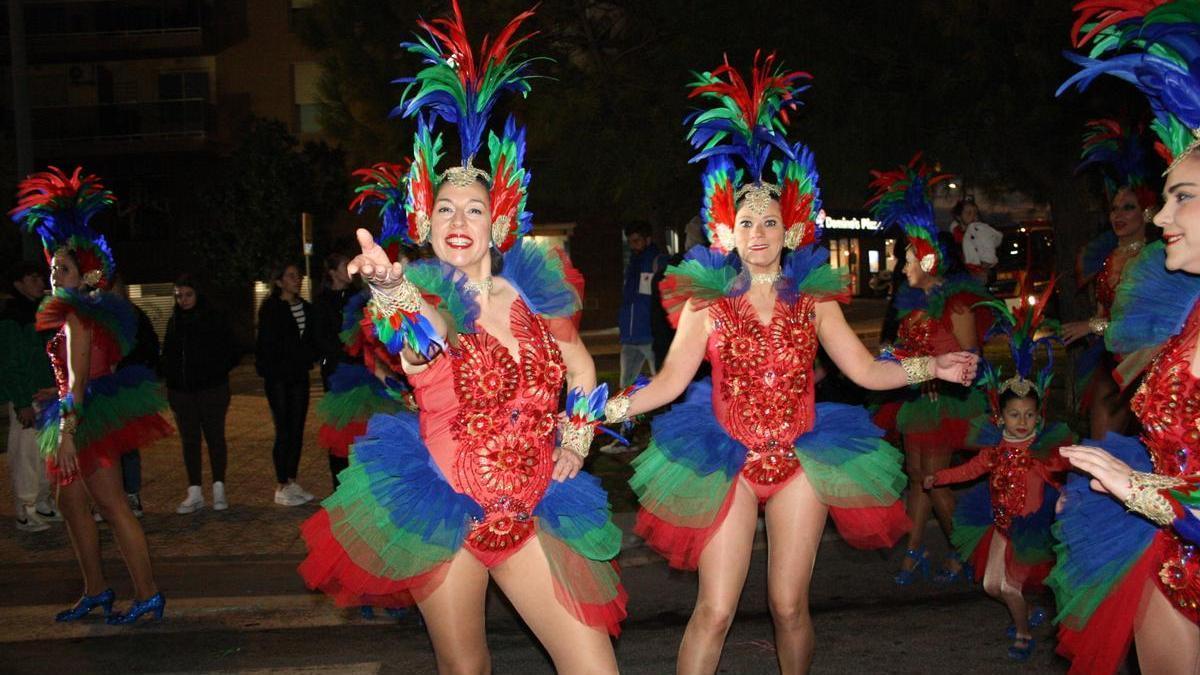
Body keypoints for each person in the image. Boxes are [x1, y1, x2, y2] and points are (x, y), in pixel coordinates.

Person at [610, 55, 976, 673]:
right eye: (746, 222)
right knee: (717, 609)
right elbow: (670, 382)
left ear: (790, 229)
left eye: (770, 222)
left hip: (802, 459)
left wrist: (931, 368)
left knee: (788, 607)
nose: (758, 232)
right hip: (726, 457)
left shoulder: (814, 302)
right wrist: (604, 406)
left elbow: (863, 373)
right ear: (727, 232)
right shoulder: (708, 304)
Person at [299, 4, 625, 672]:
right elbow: (424, 339)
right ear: (426, 220)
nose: (458, 217)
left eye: (474, 208)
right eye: (445, 207)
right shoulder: (427, 295)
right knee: (466, 669)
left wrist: (576, 433)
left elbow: (584, 368)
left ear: (497, 225)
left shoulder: (536, 293)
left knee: (593, 664)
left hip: (532, 505)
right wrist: (391, 289)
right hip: (445, 509)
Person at [1051, 6, 1200, 672]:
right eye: (1159, 198)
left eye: (1182, 196)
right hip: (1168, 554)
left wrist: (1133, 484)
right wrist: (1118, 480)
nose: (1162, 211)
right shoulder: (1184, 311)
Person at [9, 166, 172, 623]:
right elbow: (89, 371)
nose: (53, 274)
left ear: (86, 274)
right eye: (52, 267)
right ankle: (97, 589)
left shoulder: (76, 316)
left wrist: (66, 430)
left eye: (62, 268)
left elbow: (80, 381)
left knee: (112, 505)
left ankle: (148, 593)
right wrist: (56, 391)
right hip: (77, 409)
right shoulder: (85, 312)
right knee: (70, 502)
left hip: (83, 420)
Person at [924, 283, 1072, 661]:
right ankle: (1026, 610)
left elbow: (1060, 477)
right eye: (1013, 415)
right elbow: (971, 469)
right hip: (1000, 525)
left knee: (1011, 585)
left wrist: (1068, 493)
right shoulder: (995, 447)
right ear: (1000, 416)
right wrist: (939, 478)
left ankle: (1023, 630)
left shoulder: (1043, 450)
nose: (1021, 422)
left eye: (1028, 415)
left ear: (1038, 416)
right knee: (993, 585)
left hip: (1031, 528)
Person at [867, 155, 995, 586]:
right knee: (920, 479)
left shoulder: (954, 302)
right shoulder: (915, 303)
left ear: (925, 262)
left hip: (946, 405)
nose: (901, 267)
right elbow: (910, 349)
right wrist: (895, 356)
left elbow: (970, 355)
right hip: (919, 399)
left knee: (935, 481)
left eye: (906, 260)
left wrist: (947, 382)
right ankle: (916, 551)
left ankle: (970, 550)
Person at [1060, 118, 1160, 439]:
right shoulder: (1110, 257)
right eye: (1115, 208)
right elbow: (1108, 312)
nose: (1117, 215)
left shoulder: (1152, 260)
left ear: (1146, 212)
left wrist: (1091, 326)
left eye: (1128, 207)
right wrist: (1092, 326)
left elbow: (1144, 321)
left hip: (1147, 359)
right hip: (1110, 357)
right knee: (1106, 446)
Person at [162, 274, 238, 513]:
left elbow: (231, 350)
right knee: (189, 440)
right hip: (183, 392)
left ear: (197, 294)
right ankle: (194, 490)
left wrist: (214, 372)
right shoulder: (175, 322)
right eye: (178, 296)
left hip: (212, 389)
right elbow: (169, 355)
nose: (183, 300)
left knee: (215, 438)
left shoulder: (213, 318)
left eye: (187, 295)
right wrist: (172, 381)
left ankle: (218, 489)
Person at [0, 260, 58, 531]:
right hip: (29, 396)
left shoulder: (39, 313)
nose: (39, 283)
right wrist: (22, 401)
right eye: (32, 278)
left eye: (40, 278)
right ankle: (26, 509)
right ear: (18, 284)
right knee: (26, 454)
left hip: (45, 393)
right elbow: (11, 364)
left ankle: (43, 503)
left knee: (47, 453)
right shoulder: (12, 318)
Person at [255, 262, 317, 507]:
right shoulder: (271, 308)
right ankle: (281, 484)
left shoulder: (306, 308)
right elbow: (266, 344)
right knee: (283, 430)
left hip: (299, 375)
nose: (297, 279)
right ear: (279, 282)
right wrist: (271, 369)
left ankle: (291, 480)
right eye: (291, 276)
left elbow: (312, 340)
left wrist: (312, 358)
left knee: (298, 428)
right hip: (278, 377)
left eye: (298, 276)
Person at [106, 271, 159, 518]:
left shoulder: (136, 316)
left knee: (127, 443)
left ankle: (132, 493)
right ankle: (108, 496)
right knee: (105, 445)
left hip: (128, 387)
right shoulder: (97, 318)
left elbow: (149, 349)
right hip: (104, 390)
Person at [949, 197, 1002, 284]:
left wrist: (981, 269)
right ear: (958, 217)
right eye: (968, 213)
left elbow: (988, 257)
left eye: (975, 213)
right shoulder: (952, 237)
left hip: (977, 278)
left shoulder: (982, 232)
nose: (973, 216)